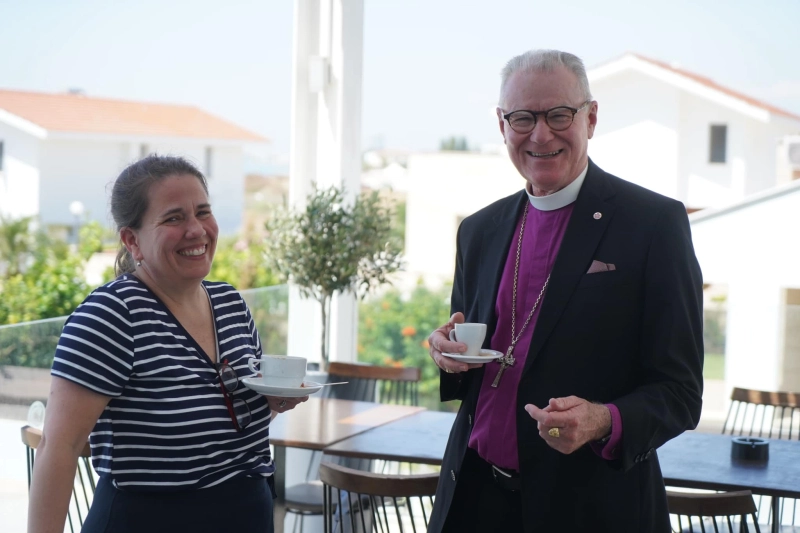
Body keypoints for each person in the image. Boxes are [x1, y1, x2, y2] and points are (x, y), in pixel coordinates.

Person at [426, 50, 704, 532]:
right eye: (522, 118)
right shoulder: (479, 229)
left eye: (558, 115)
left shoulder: (653, 224)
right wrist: (446, 353)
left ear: (590, 118)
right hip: (473, 496)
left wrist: (602, 419)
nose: (540, 134)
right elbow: (477, 354)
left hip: (588, 506)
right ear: (502, 124)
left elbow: (681, 391)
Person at [27, 155, 307, 533]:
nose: (196, 230)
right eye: (174, 218)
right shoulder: (112, 315)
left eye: (203, 212)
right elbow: (58, 447)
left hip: (248, 513)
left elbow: (221, 423)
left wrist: (272, 402)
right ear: (132, 239)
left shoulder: (230, 304)